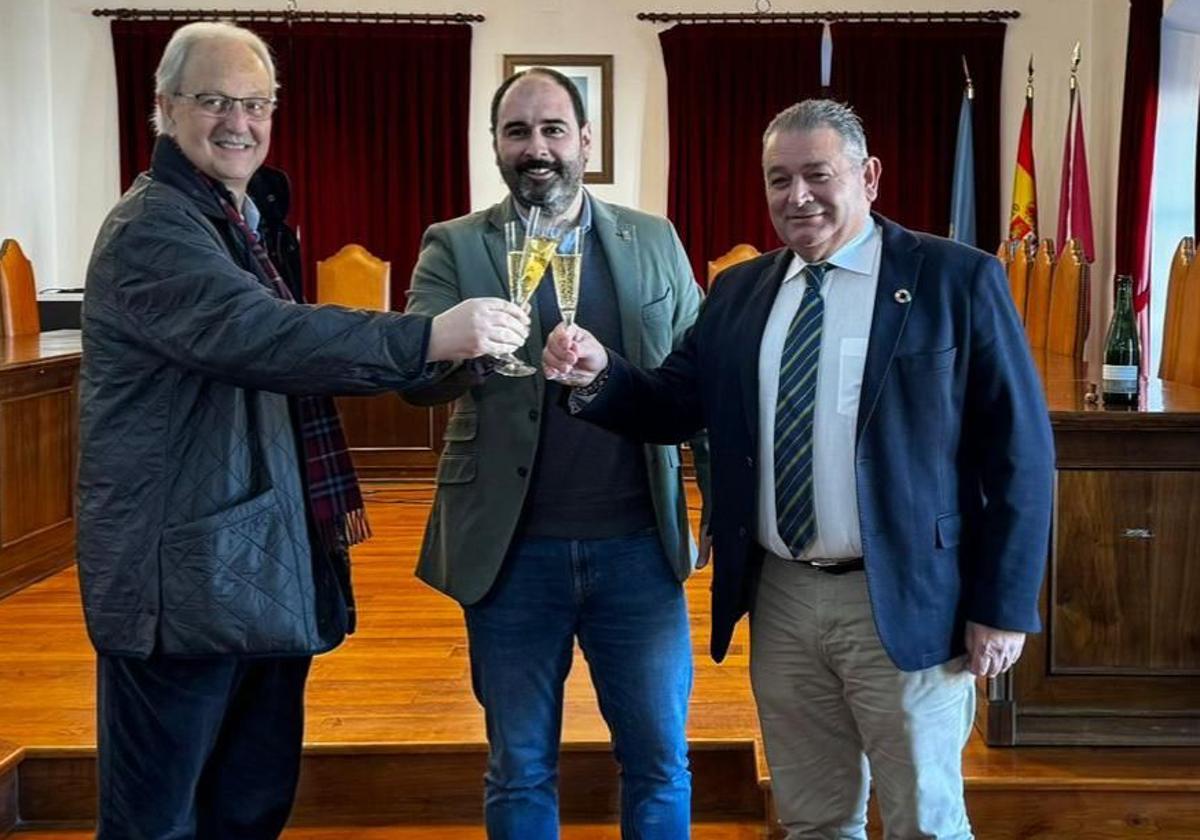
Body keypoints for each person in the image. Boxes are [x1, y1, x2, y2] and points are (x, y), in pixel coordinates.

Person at [544, 98, 1054, 839]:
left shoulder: (955, 280)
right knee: (813, 819)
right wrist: (599, 373)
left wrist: (1003, 605)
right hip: (780, 598)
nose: (797, 196)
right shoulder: (741, 292)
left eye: (817, 174)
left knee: (926, 823)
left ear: (869, 176)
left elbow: (1022, 453)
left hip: (907, 599)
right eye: (778, 179)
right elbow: (675, 404)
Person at [77, 21, 527, 838]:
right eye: (213, 100)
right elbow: (264, 336)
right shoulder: (154, 227)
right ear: (164, 108)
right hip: (178, 583)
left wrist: (467, 361)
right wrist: (427, 336)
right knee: (158, 818)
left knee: (248, 804)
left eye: (254, 103)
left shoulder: (239, 218)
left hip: (251, 562)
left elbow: (301, 366)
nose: (237, 122)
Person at [403, 68, 706, 839]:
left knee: (660, 762)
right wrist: (464, 351)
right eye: (517, 132)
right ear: (496, 146)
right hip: (511, 556)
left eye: (552, 130)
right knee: (519, 767)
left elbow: (698, 377)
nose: (536, 148)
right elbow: (416, 383)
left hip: (639, 548)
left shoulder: (655, 239)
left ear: (586, 142)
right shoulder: (455, 245)